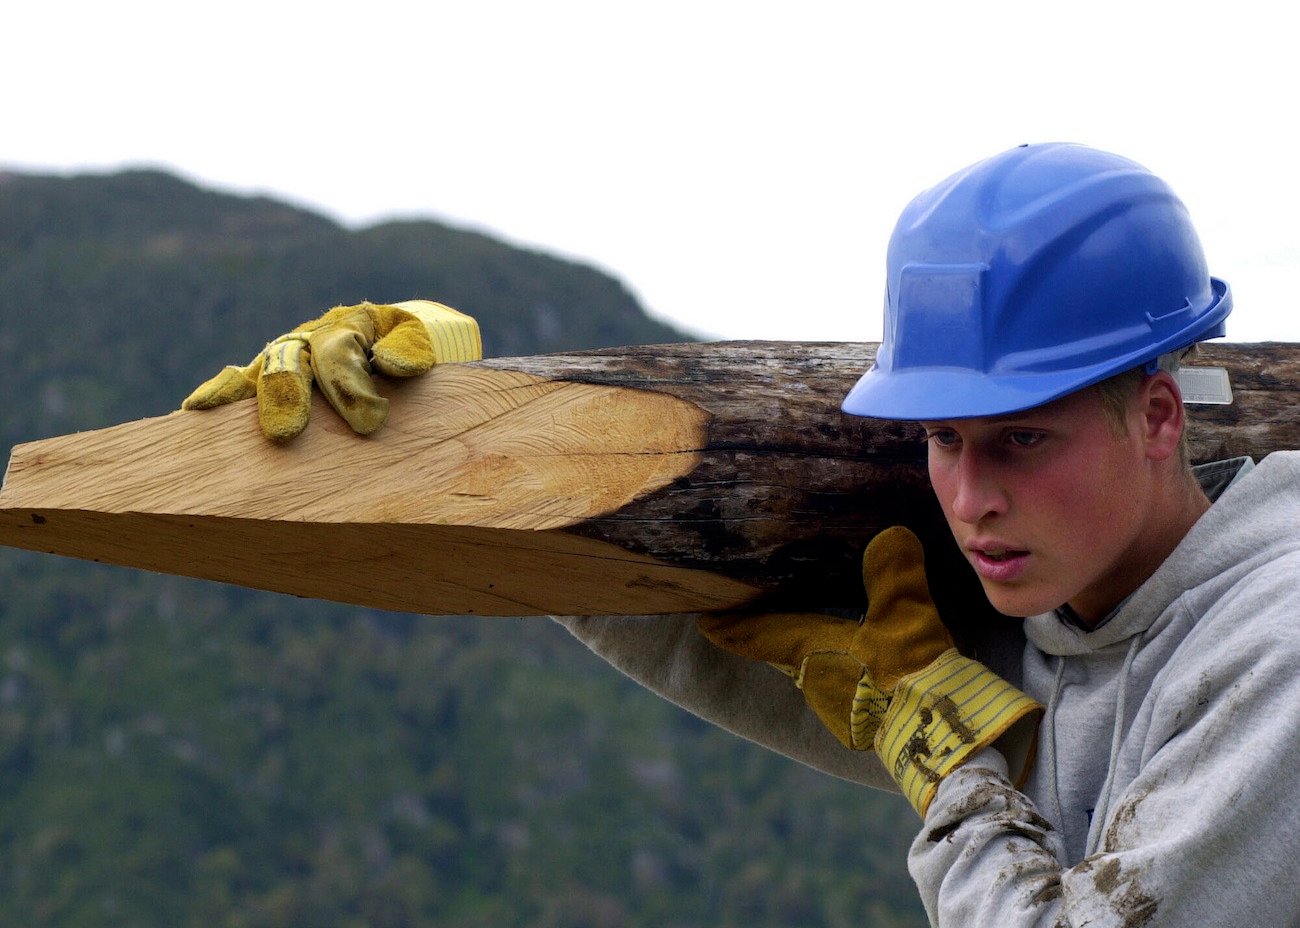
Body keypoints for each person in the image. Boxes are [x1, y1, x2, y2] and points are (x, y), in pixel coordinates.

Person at [185, 143, 1300, 926]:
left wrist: (948, 760)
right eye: (941, 437)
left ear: (1158, 416)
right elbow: (716, 630)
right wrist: (459, 416)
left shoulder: (1273, 651)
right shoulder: (1062, 610)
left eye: (1020, 441)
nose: (966, 499)